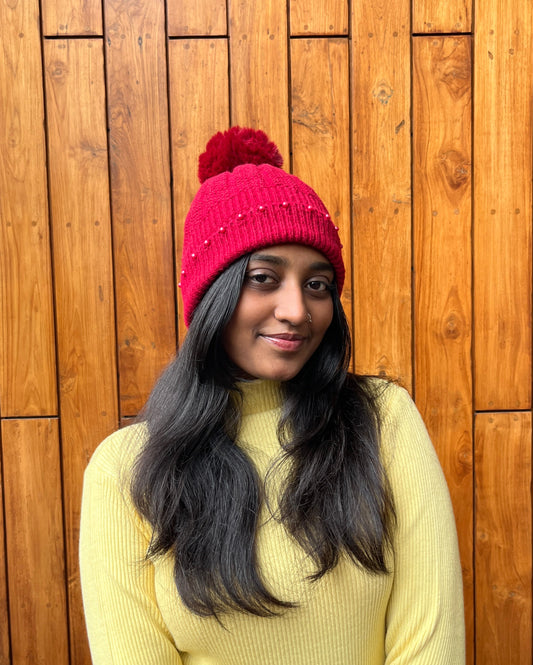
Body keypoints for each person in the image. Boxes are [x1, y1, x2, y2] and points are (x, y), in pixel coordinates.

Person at [80, 126, 465, 664]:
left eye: (317, 284)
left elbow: (431, 640)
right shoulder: (125, 470)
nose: (297, 311)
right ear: (212, 297)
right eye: (264, 278)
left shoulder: (384, 421)